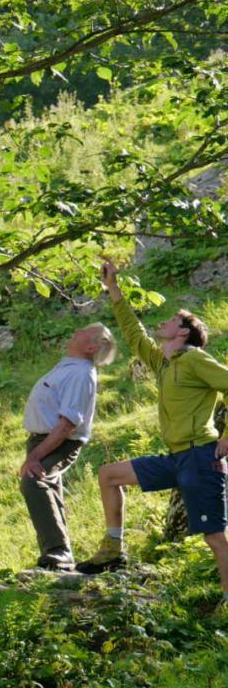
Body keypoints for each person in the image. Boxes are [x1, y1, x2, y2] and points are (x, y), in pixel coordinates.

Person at [77, 258, 228, 606]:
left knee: (215, 537)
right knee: (108, 475)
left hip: (201, 455)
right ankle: (113, 549)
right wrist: (113, 288)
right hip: (176, 457)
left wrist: (227, 436)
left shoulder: (194, 359)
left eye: (172, 320)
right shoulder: (164, 363)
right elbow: (133, 332)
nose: (163, 321)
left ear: (184, 332)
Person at [19, 323, 116, 571]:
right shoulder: (69, 367)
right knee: (48, 487)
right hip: (43, 439)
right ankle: (59, 555)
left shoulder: (81, 374)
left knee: (34, 481)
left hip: (59, 440)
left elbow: (67, 424)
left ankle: (58, 552)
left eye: (84, 330)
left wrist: (35, 457)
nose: (77, 330)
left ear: (91, 346)